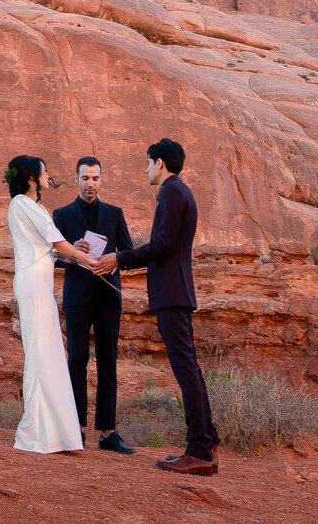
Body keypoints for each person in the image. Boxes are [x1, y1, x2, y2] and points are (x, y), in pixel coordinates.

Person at [88, 137, 219, 474]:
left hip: (172, 293)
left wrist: (119, 258)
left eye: (148, 163)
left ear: (160, 163)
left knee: (185, 368)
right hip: (176, 291)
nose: (146, 169)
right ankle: (205, 442)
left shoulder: (173, 191)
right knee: (189, 367)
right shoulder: (180, 191)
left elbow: (161, 245)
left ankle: (200, 450)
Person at [2, 154, 89, 454]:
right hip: (34, 285)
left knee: (48, 351)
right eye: (44, 170)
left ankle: (54, 433)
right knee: (40, 351)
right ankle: (36, 432)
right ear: (30, 177)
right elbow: (54, 242)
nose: (47, 174)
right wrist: (88, 259)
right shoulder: (23, 204)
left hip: (38, 283)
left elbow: (50, 249)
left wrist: (74, 251)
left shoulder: (25, 207)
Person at [53, 155, 136, 454]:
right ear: (75, 178)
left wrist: (116, 261)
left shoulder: (115, 213)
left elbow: (128, 252)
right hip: (77, 297)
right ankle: (76, 429)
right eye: (86, 178)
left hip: (107, 296)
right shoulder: (61, 214)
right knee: (77, 360)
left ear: (101, 179)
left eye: (96, 178)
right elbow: (53, 256)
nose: (91, 183)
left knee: (108, 363)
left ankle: (107, 432)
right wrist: (72, 252)